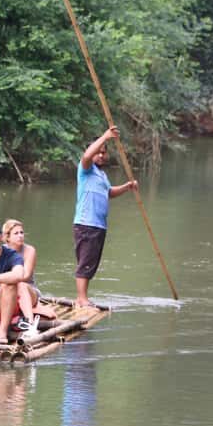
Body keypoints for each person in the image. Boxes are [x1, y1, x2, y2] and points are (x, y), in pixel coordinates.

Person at [73, 126, 138, 308]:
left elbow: (109, 192)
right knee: (86, 261)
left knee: (91, 261)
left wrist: (127, 186)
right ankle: (81, 298)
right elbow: (87, 156)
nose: (101, 155)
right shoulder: (86, 169)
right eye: (98, 152)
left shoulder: (101, 174)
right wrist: (106, 136)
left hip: (99, 225)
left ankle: (83, 297)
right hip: (86, 223)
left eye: (104, 153)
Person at [1, 219, 56, 338]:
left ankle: (30, 324)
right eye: (16, 233)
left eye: (21, 232)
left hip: (28, 290)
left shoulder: (29, 251)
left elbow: (25, 276)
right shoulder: (1, 251)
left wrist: (4, 279)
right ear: (7, 237)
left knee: (20, 284)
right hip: (7, 289)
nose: (20, 236)